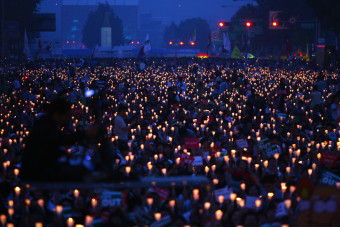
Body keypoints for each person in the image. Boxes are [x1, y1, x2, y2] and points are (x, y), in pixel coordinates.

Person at [21, 98, 97, 181]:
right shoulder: (44, 125)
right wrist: (84, 134)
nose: (68, 119)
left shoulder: (48, 124)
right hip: (36, 172)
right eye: (67, 116)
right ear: (57, 114)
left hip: (43, 168)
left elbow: (49, 147)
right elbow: (59, 139)